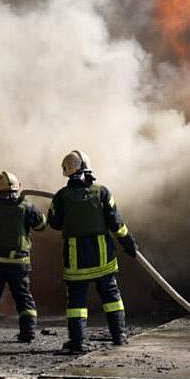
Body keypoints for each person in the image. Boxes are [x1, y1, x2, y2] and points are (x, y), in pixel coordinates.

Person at [47, 151, 138, 353]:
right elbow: (117, 224)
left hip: (75, 258)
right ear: (87, 167)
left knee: (77, 301)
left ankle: (77, 342)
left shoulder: (62, 196)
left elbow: (54, 223)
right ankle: (119, 336)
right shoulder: (102, 192)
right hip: (102, 256)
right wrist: (129, 244)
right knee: (111, 296)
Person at [0, 171, 47, 345]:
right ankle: (27, 333)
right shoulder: (26, 208)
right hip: (18, 264)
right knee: (23, 299)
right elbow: (41, 225)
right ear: (16, 188)